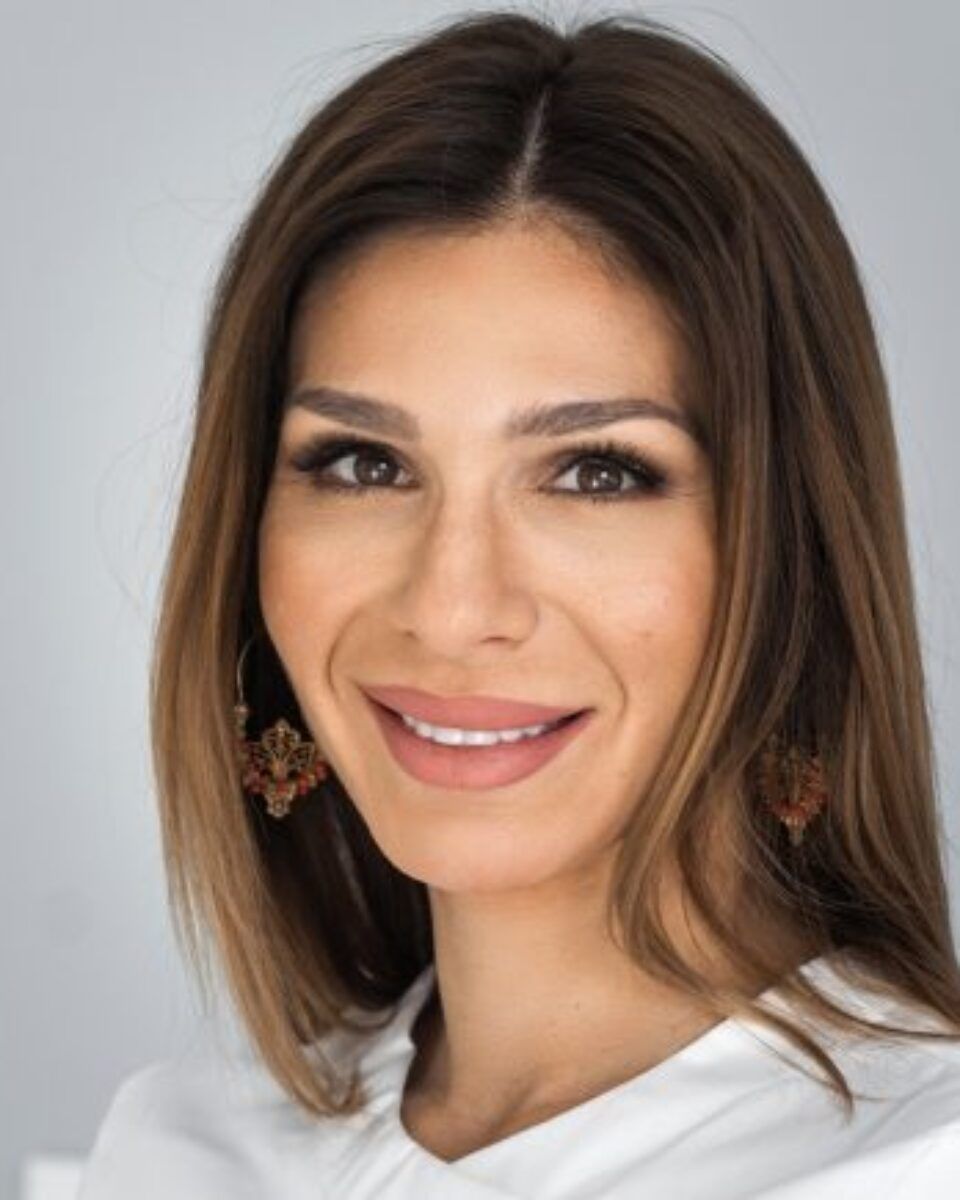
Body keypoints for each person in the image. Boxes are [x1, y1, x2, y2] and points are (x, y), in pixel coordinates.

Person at [78, 8, 960, 1198]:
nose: (451, 609)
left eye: (595, 473)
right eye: (364, 464)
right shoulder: (174, 1154)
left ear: (790, 554)